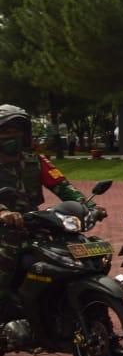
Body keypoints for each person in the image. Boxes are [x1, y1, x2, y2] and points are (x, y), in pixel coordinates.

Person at [0, 105, 103, 312]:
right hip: (4, 230)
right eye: (7, 131)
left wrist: (89, 206)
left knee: (75, 253)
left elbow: (63, 187)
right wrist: (3, 212)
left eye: (18, 130)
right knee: (6, 260)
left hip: (32, 224)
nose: (14, 136)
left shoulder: (36, 161)